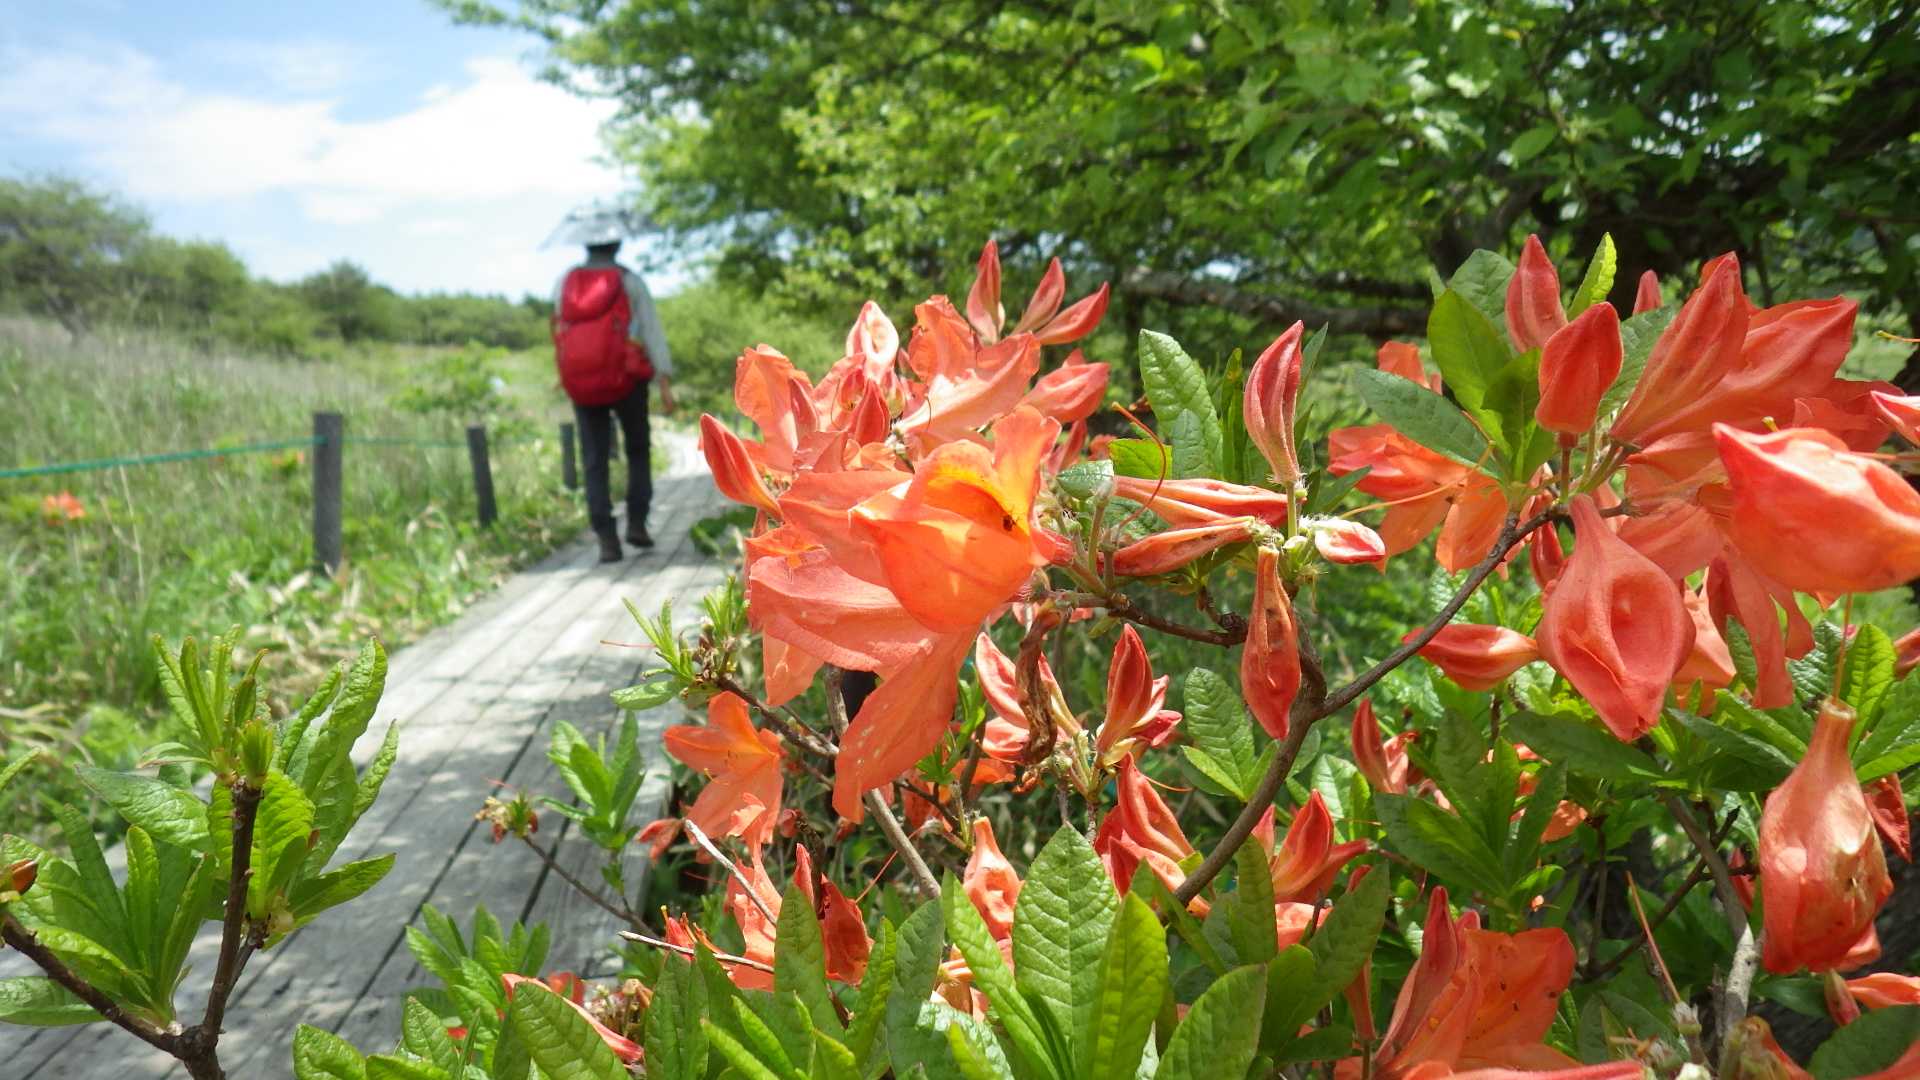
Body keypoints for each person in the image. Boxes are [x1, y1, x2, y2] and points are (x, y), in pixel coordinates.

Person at [551, 240, 677, 562]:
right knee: (637, 450)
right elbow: (650, 330)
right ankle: (637, 523)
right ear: (617, 245)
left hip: (583, 381)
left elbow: (561, 330)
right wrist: (664, 381)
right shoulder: (629, 280)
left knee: (593, 458)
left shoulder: (566, 282)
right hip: (627, 379)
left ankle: (606, 539)